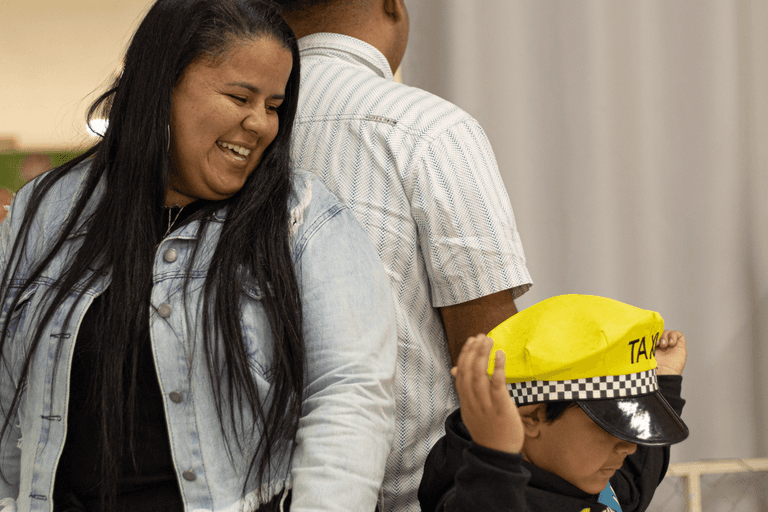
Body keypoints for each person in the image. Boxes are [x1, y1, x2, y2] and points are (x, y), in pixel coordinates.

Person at [0, 1, 397, 511]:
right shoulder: (48, 210)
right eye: (240, 97)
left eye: (274, 105)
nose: (259, 124)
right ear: (160, 84)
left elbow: (349, 399)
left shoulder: (301, 218)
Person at [272, 2, 533, 509]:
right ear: (392, 3)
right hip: (419, 496)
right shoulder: (427, 128)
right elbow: (490, 354)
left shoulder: (236, 126)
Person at [418, 294, 689, 512]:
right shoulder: (485, 494)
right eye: (610, 427)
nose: (630, 446)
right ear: (532, 418)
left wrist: (663, 383)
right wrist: (494, 460)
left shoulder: (577, 473)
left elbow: (633, 483)